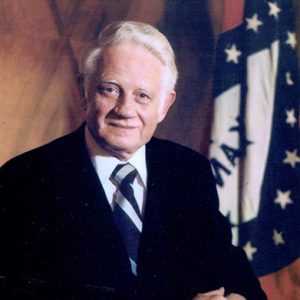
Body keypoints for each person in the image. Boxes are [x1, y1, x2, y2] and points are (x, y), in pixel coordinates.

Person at [0, 21, 267, 300]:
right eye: (111, 89)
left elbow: (233, 271)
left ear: (164, 105)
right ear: (84, 91)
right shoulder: (23, 179)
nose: (125, 109)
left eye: (142, 96)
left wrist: (239, 297)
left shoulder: (188, 171)